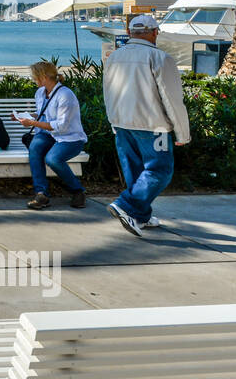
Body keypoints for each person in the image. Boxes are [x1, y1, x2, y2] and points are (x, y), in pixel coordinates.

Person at [103, 14, 191, 237]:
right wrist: (182, 134)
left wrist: (113, 122)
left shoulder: (114, 57)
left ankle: (139, 216)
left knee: (135, 171)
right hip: (153, 126)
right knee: (159, 170)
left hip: (122, 123)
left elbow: (108, 93)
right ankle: (127, 206)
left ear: (130, 33)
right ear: (154, 32)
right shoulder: (160, 57)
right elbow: (172, 99)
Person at [19, 60, 88, 210]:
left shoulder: (65, 95)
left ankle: (78, 191)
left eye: (34, 76)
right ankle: (41, 193)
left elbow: (61, 126)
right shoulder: (40, 93)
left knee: (53, 159)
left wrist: (31, 123)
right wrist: (26, 116)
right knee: (35, 148)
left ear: (43, 77)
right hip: (48, 135)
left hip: (70, 138)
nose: (33, 79)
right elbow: (43, 115)